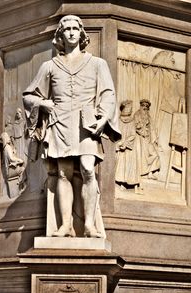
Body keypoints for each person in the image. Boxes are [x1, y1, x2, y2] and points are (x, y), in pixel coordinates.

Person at [23, 15, 121, 238]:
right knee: (64, 173)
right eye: (66, 29)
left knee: (87, 168)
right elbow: (29, 96)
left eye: (75, 28)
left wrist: (103, 119)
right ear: (60, 34)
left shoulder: (97, 64)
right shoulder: (49, 66)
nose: (71, 32)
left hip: (86, 123)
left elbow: (108, 94)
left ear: (81, 33)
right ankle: (65, 225)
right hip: (59, 123)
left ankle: (89, 225)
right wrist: (42, 103)